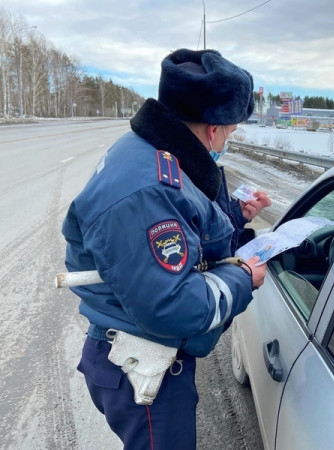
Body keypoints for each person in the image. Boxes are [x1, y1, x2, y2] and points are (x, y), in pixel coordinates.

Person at [61, 48, 271, 449]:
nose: (227, 140)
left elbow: (184, 224)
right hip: (140, 369)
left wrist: (234, 216)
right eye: (230, 132)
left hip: (136, 356)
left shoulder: (154, 151)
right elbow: (171, 305)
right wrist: (243, 277)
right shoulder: (148, 188)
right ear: (213, 128)